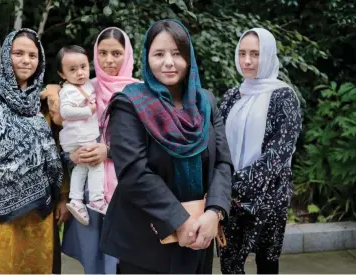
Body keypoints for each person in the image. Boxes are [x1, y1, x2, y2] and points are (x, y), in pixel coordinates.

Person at [100, 19, 233, 274]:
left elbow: (222, 163)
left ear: (189, 57)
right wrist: (179, 222)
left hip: (199, 235)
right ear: (146, 57)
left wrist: (214, 213)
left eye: (177, 53)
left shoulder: (206, 102)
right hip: (146, 241)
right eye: (159, 54)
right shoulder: (130, 104)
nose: (169, 62)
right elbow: (133, 172)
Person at [0, 28, 69, 274]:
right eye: (18, 53)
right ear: (6, 55)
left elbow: (58, 151)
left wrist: (63, 196)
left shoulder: (44, 103)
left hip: (41, 212)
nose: (26, 60)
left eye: (32, 55)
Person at [219, 28, 302, 274]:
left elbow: (279, 153)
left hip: (269, 194)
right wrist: (222, 185)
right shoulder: (233, 96)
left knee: (266, 263)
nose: (247, 60)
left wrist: (237, 184)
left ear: (268, 56)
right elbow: (218, 143)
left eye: (255, 54)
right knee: (230, 264)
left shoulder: (284, 97)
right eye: (242, 53)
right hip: (231, 198)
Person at [60, 27, 140, 274]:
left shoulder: (141, 92)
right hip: (91, 191)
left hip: (128, 189)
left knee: (127, 260)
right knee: (94, 258)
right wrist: (71, 156)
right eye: (102, 53)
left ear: (127, 55)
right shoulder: (84, 89)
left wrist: (109, 151)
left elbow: (147, 144)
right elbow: (67, 133)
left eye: (116, 53)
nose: (108, 60)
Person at [56, 45, 108, 225]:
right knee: (96, 163)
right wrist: (88, 110)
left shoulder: (85, 84)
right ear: (62, 75)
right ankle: (96, 200)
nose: (80, 73)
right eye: (72, 69)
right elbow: (66, 112)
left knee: (82, 167)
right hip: (79, 136)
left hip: (76, 137)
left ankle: (76, 201)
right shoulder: (68, 90)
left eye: (83, 67)